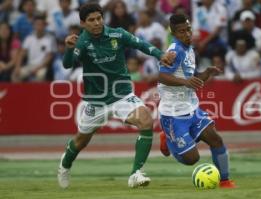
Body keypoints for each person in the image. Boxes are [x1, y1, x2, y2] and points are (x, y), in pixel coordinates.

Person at [57, 3, 175, 189]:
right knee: (81, 141)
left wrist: (160, 54)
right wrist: (69, 49)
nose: (96, 23)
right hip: (96, 101)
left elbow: (141, 44)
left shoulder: (117, 34)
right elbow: (67, 65)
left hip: (122, 95)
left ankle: (135, 173)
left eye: (99, 18)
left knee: (145, 120)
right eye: (91, 20)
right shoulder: (81, 42)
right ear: (83, 23)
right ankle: (65, 164)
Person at [158, 14, 235, 188]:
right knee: (192, 159)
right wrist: (185, 82)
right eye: (181, 32)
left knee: (216, 140)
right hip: (173, 114)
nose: (187, 34)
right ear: (174, 33)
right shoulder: (174, 51)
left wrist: (206, 73)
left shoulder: (189, 49)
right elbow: (162, 76)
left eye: (188, 30)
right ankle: (168, 141)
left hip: (192, 109)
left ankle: (225, 181)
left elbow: (192, 78)